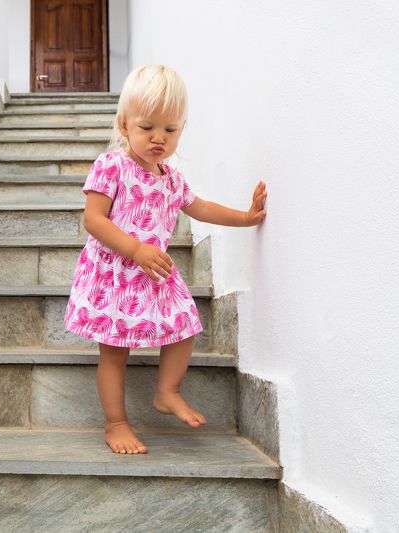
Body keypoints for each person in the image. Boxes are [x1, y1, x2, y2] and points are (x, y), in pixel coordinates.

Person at [63, 64, 267, 454]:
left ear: (181, 130)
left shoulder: (172, 179)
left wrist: (246, 217)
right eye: (147, 127)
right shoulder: (112, 166)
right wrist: (136, 249)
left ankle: (166, 391)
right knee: (114, 352)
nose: (159, 138)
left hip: (154, 273)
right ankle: (116, 423)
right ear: (125, 126)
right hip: (116, 273)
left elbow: (201, 207)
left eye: (170, 130)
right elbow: (92, 219)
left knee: (186, 324)